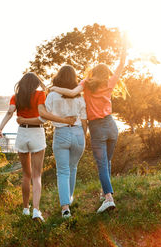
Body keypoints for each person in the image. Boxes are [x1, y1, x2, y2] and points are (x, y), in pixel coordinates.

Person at [50, 43, 127, 213]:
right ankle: (104, 193)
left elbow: (71, 93)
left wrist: (55, 88)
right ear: (106, 73)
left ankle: (108, 198)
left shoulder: (86, 83)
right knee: (107, 162)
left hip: (97, 128)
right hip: (112, 126)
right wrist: (124, 51)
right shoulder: (110, 82)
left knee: (102, 164)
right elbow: (121, 65)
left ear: (93, 73)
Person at [0, 72, 75, 222]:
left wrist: (0, 127)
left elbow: (9, 112)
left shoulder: (16, 96)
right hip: (36, 134)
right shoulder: (40, 95)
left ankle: (25, 209)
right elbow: (43, 115)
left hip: (22, 134)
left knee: (26, 174)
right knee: (37, 175)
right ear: (35, 83)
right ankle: (36, 210)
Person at [18, 65, 87, 218]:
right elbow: (84, 119)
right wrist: (84, 136)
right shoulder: (79, 96)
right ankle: (69, 198)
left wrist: (23, 120)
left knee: (62, 171)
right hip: (78, 134)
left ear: (58, 77)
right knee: (73, 168)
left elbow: (43, 117)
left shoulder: (52, 96)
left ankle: (65, 208)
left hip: (61, 133)